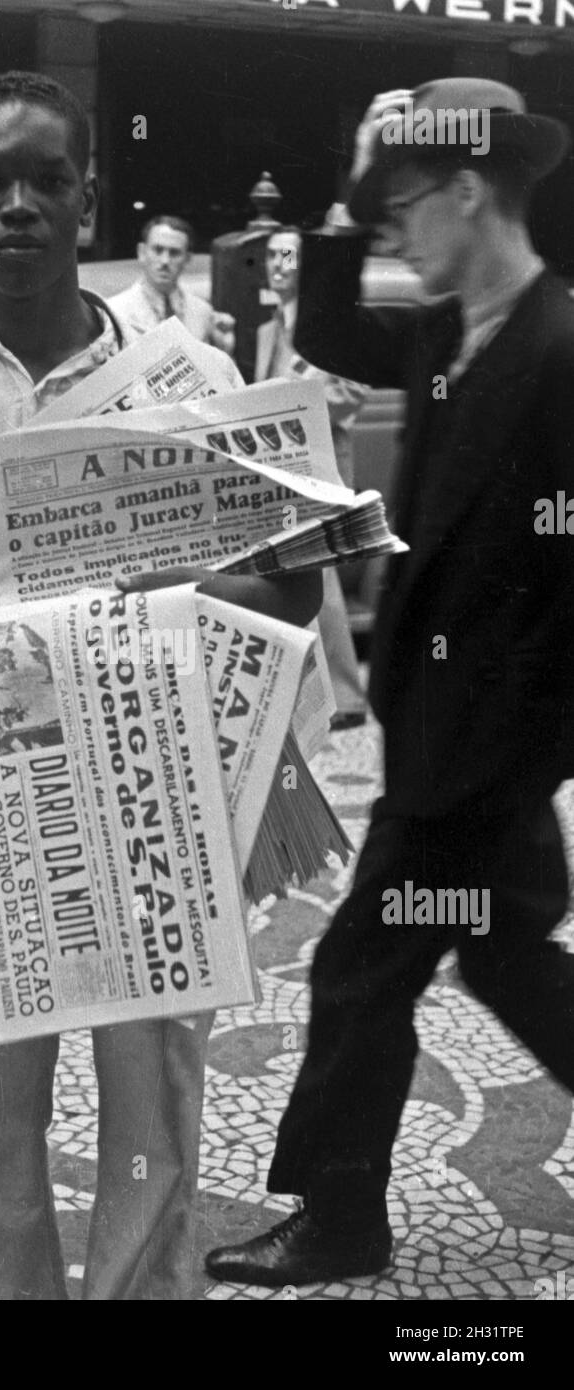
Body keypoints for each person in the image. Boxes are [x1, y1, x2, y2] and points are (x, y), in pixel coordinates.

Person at [0, 70, 320, 1301]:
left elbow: (290, 600)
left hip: (151, 827)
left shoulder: (194, 392)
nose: (21, 206)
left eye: (48, 179)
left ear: (88, 197)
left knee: (153, 1139)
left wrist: (268, 583)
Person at [205, 76, 574, 1289]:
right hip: (446, 735)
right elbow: (325, 331)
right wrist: (356, 179)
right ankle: (342, 1213)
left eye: (406, 203)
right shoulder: (444, 333)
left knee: (361, 968)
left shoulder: (561, 348)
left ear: (472, 188)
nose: (393, 232)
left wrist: (513, 751)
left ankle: (340, 1217)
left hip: (484, 749)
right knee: (507, 946)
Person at [256, 226, 368, 730]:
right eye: (271, 258)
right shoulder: (266, 330)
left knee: (324, 578)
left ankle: (346, 697)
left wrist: (297, 401)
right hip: (277, 476)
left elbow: (351, 393)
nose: (278, 266)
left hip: (320, 468)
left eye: (288, 257)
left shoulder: (326, 328)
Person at [108, 215, 235, 355]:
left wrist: (224, 348)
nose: (165, 261)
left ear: (187, 258)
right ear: (142, 252)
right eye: (157, 250)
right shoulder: (114, 311)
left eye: (174, 253)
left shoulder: (202, 311)